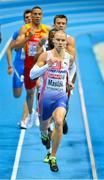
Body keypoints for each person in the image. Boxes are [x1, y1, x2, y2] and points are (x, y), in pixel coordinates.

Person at [30, 30, 76, 172]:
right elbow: (32, 75)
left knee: (59, 122)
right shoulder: (46, 55)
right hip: (45, 99)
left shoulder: (69, 58)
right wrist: (46, 66)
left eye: (63, 40)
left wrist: (69, 81)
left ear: (65, 42)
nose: (61, 43)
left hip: (60, 97)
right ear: (54, 41)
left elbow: (73, 68)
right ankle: (44, 135)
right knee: (43, 127)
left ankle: (53, 157)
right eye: (58, 40)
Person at [13, 6, 51, 128]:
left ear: (42, 15)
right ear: (32, 15)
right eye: (35, 14)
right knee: (29, 93)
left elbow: (55, 46)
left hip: (42, 64)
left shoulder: (47, 30)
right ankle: (30, 113)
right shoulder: (25, 29)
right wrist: (28, 38)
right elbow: (16, 47)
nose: (37, 16)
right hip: (29, 64)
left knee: (42, 90)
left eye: (39, 14)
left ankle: (42, 115)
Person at [7, 9, 32, 129]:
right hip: (18, 65)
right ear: (24, 19)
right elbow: (9, 49)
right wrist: (10, 65)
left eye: (30, 17)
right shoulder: (18, 32)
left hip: (30, 65)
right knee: (17, 94)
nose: (28, 19)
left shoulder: (39, 33)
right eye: (26, 17)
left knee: (29, 91)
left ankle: (24, 120)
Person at [53, 15, 76, 134]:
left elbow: (73, 63)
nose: (61, 25)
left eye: (63, 23)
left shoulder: (69, 40)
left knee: (64, 102)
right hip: (49, 75)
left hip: (63, 77)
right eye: (58, 23)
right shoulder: (48, 37)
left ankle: (63, 118)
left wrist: (70, 82)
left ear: (66, 25)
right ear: (54, 24)